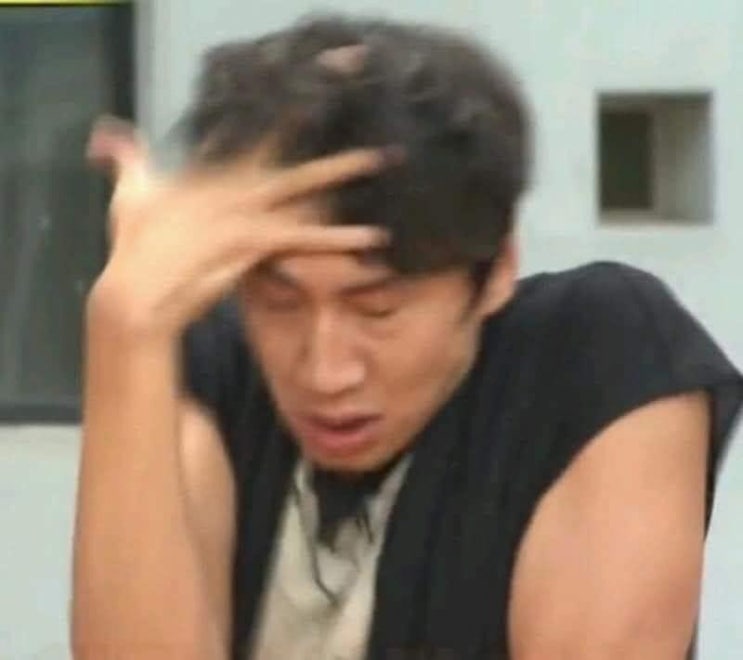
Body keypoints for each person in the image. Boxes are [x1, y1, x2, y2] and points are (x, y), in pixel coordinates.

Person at [71, 13, 742, 660]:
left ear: (495, 270)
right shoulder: (206, 358)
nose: (326, 372)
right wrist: (125, 322)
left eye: (378, 310)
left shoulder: (597, 358)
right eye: (279, 302)